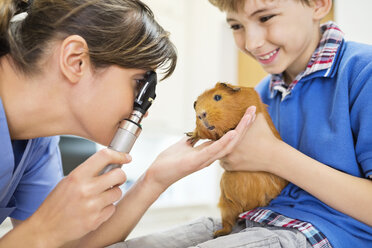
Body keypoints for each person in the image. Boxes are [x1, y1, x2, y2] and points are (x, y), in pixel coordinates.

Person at [116, 0, 372, 247]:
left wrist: (274, 157)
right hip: (255, 221)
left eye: (266, 17)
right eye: (236, 26)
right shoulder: (261, 93)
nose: (251, 42)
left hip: (327, 233)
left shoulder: (362, 72)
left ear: (318, 4)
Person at [0, 0, 256, 247]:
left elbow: (62, 245)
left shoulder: (36, 144)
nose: (142, 113)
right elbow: (42, 236)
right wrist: (45, 227)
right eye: (137, 84)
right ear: (75, 60)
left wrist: (154, 179)